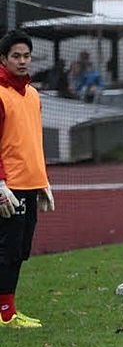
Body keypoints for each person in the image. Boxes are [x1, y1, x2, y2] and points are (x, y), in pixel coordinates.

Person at [0, 30, 55, 329]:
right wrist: (0, 184)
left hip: (30, 184)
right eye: (15, 56)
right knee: (8, 250)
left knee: (20, 250)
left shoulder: (33, 94)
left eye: (26, 55)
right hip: (9, 187)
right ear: (3, 59)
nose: (22, 61)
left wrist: (43, 180)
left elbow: (32, 140)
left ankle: (6, 309)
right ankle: (6, 313)